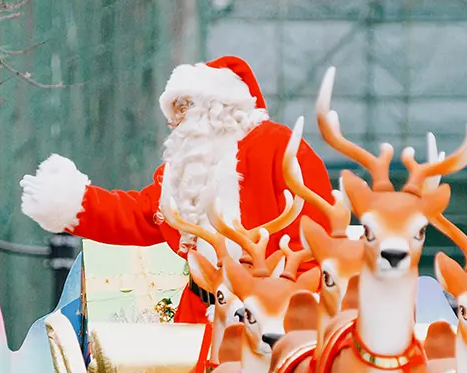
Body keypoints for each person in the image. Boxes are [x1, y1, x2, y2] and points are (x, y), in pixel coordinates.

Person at [19, 56, 335, 323]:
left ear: (218, 108)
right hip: (200, 314)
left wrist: (289, 299)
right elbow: (139, 214)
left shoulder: (280, 147)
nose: (177, 124)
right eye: (176, 113)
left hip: (273, 315)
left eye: (185, 110)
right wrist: (76, 202)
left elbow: (314, 238)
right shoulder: (183, 172)